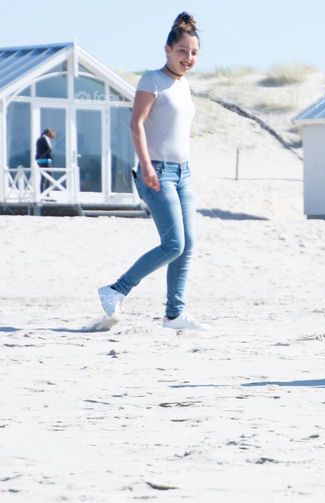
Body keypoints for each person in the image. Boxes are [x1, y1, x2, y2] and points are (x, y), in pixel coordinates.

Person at [97, 12, 204, 330]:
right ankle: (116, 289)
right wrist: (146, 166)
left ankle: (173, 314)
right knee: (173, 245)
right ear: (168, 50)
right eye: (183, 51)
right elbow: (136, 125)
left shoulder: (183, 86)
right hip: (156, 172)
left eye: (194, 53)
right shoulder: (152, 80)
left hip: (183, 174)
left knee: (187, 246)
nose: (188, 58)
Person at [35, 129, 55, 195]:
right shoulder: (44, 139)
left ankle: (42, 192)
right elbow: (48, 150)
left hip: (40, 160)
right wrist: (50, 156)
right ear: (48, 133)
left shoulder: (40, 139)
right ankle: (46, 193)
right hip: (44, 160)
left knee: (43, 177)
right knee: (49, 176)